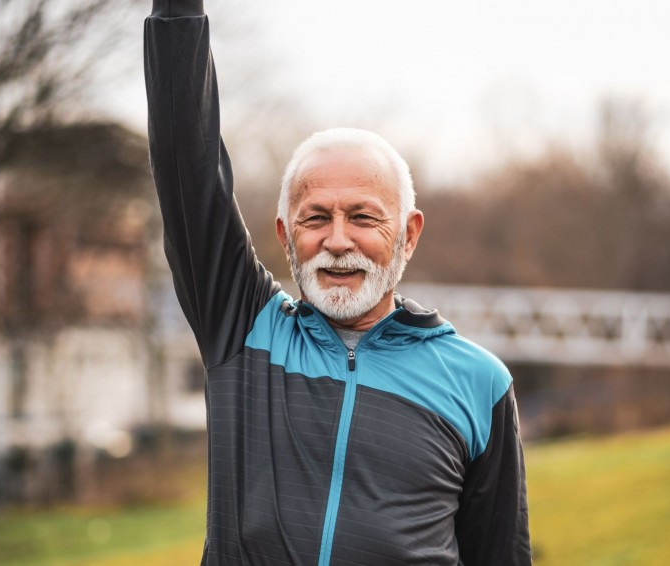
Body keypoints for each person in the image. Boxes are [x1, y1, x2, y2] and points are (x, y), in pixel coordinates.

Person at [144, 2, 531, 564]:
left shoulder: (480, 384)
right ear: (285, 233)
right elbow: (187, 162)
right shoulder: (243, 329)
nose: (339, 240)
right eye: (316, 218)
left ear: (408, 234)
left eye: (364, 217)